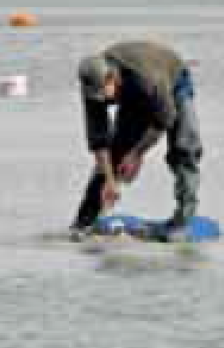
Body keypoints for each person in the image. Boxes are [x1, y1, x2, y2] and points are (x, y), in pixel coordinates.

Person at [71, 41, 202, 238]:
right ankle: (83, 223)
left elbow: (165, 118)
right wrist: (109, 178)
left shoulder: (149, 79)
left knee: (184, 148)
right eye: (96, 97)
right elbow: (99, 139)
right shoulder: (92, 84)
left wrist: (136, 154)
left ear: (112, 79)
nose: (102, 101)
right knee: (115, 154)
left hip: (172, 81)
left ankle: (184, 220)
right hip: (134, 92)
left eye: (104, 94)